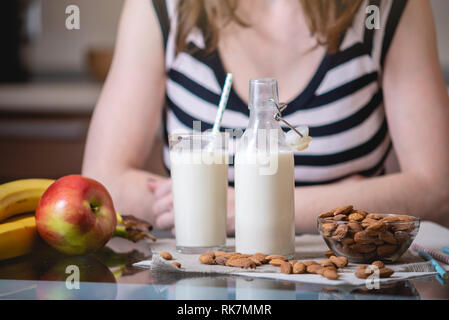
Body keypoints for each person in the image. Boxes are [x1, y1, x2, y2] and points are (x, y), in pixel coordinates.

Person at [82, 0, 449, 234]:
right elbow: (101, 185)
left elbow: (438, 189)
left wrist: (244, 208)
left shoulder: (390, 9)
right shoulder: (162, 9)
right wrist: (343, 200)